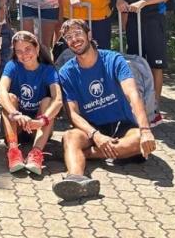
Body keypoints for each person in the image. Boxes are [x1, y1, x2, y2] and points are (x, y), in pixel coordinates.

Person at [53, 19, 156, 200]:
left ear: (89, 35)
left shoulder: (114, 60)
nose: (74, 39)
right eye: (68, 37)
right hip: (92, 127)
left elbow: (133, 95)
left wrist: (146, 130)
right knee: (70, 137)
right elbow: (73, 115)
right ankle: (76, 178)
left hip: (122, 124)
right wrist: (96, 135)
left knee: (140, 139)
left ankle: (87, 155)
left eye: (78, 34)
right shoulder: (66, 72)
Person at [117, 0, 175, 126]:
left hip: (153, 19)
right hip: (134, 20)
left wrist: (145, 2)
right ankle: (140, 103)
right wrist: (120, 1)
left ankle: (155, 106)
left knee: (155, 64)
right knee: (136, 62)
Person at [0, 31, 61, 175]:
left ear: (37, 48)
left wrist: (41, 121)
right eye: (19, 51)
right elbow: (0, 92)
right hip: (15, 125)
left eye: (28, 49)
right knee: (10, 97)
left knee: (48, 101)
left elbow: (58, 100)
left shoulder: (48, 70)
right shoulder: (12, 66)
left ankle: (36, 154)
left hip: (38, 126)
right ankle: (13, 151)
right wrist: (15, 114)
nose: (24, 54)